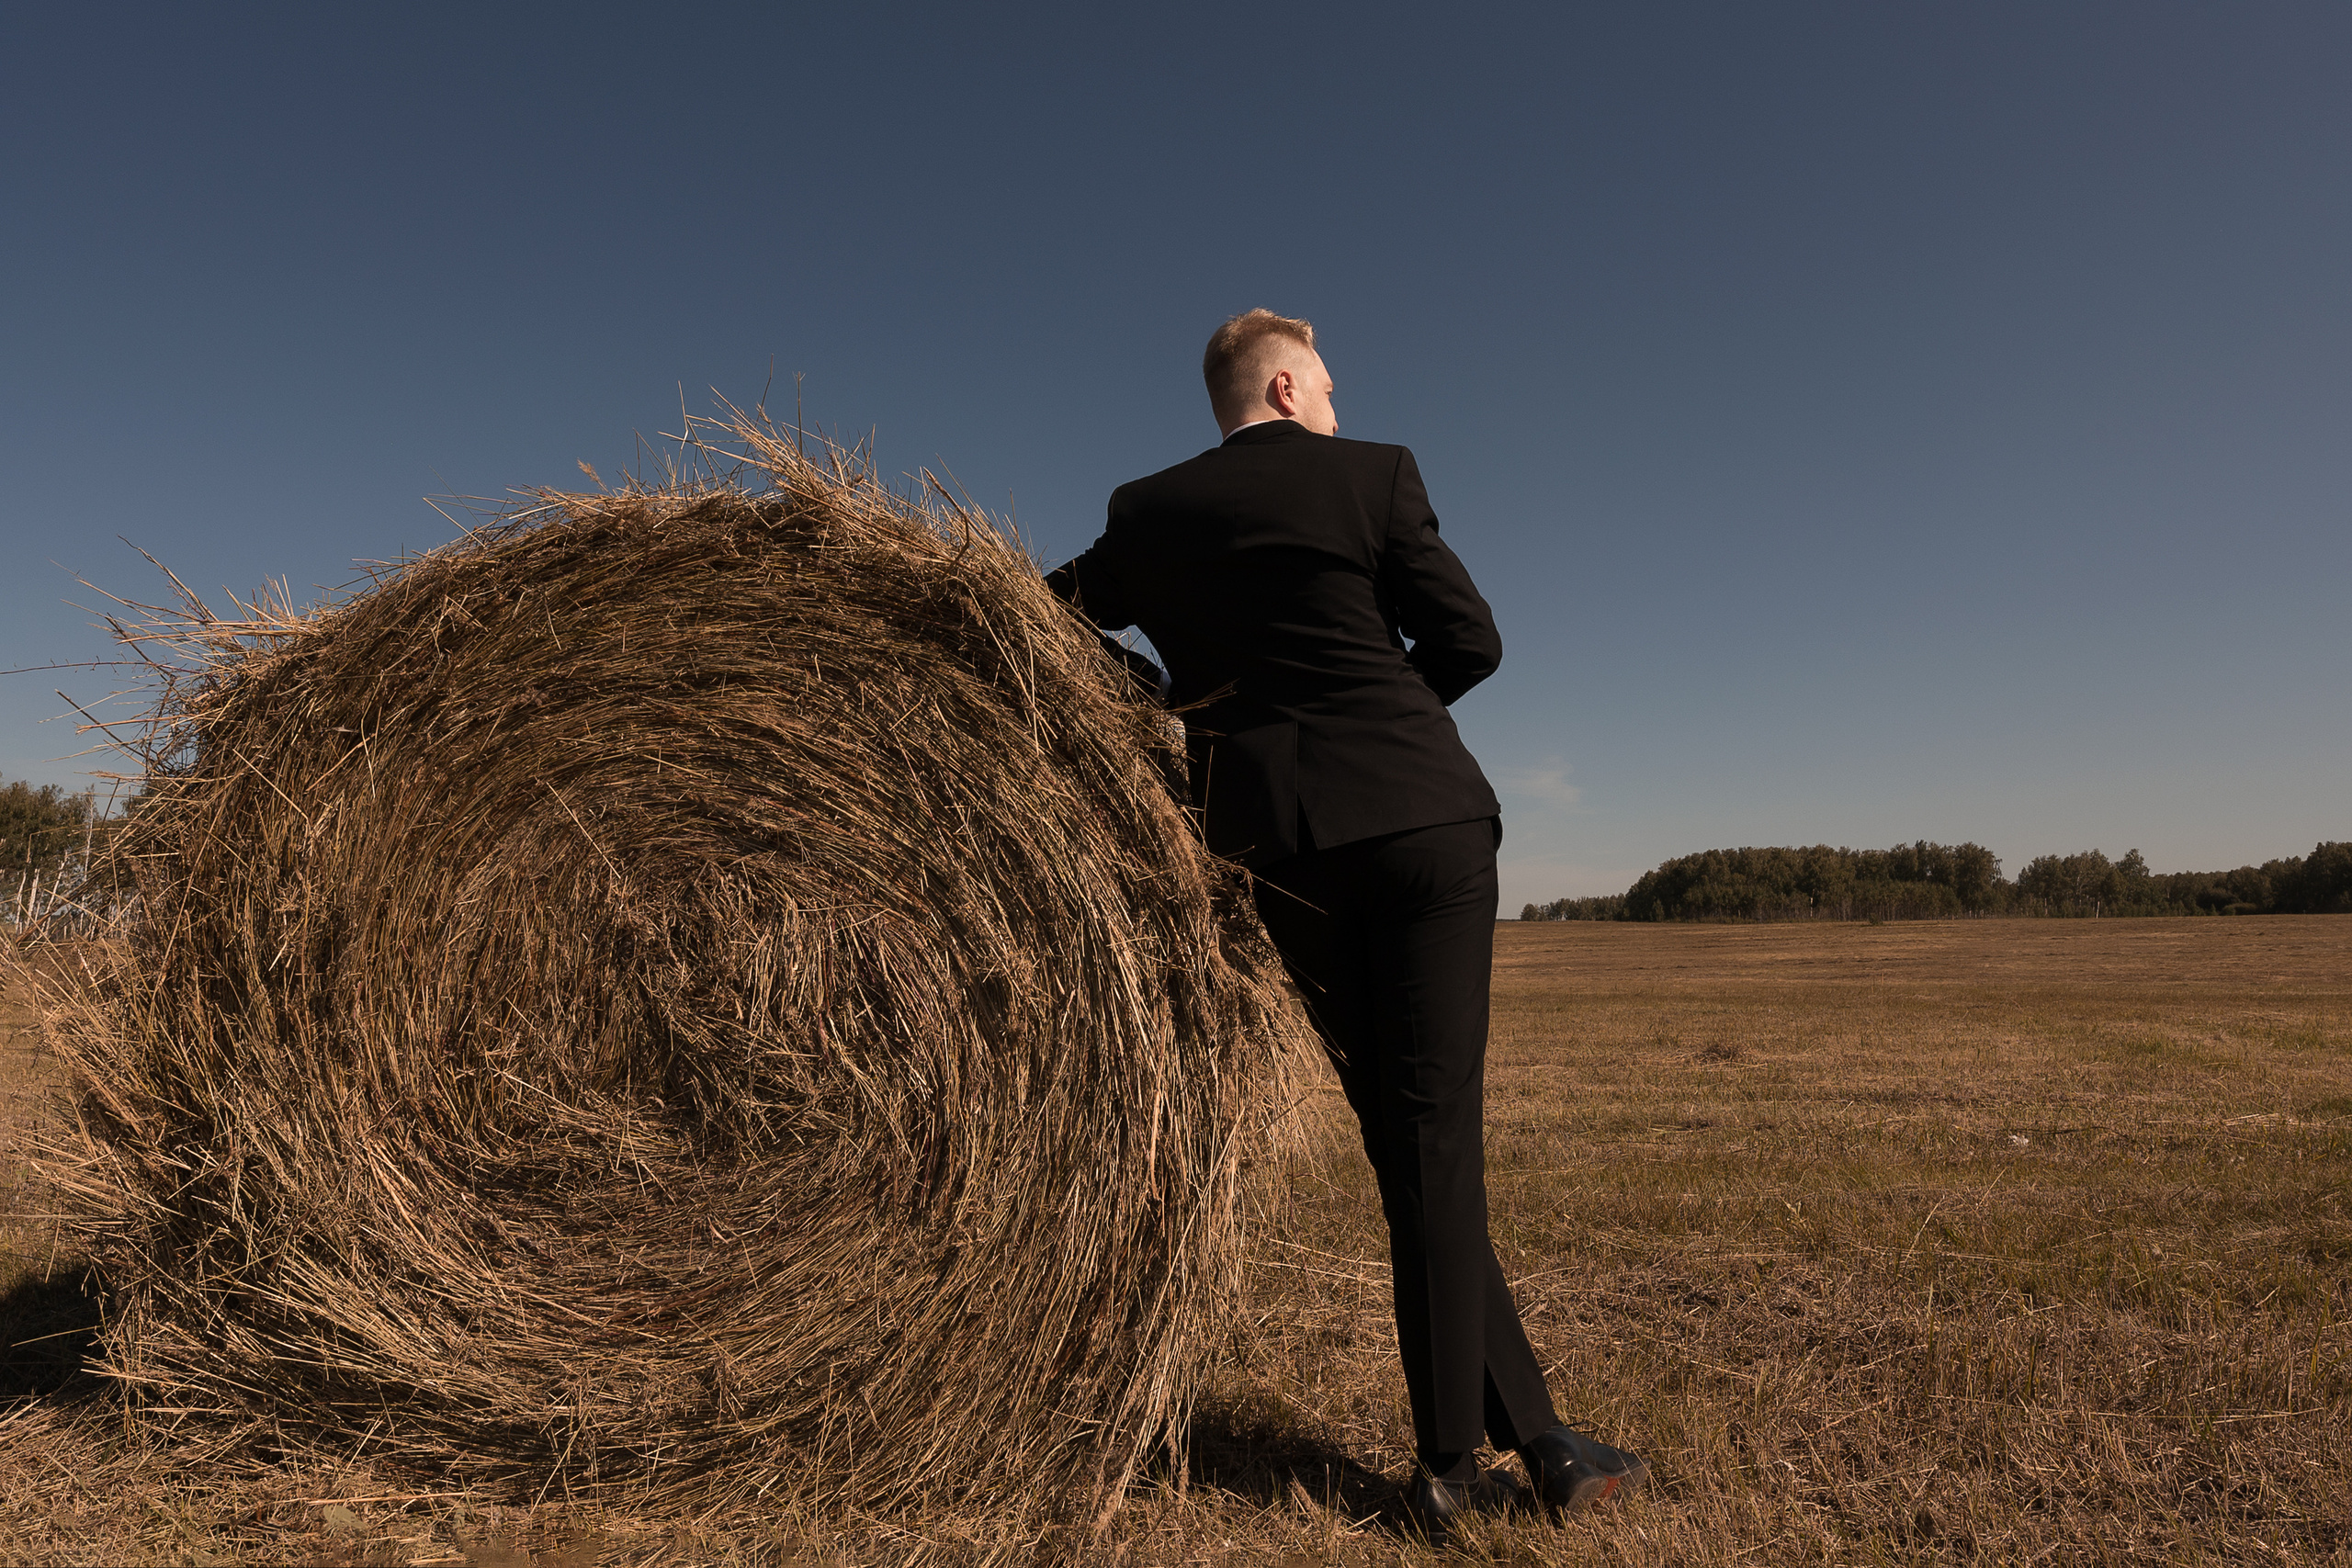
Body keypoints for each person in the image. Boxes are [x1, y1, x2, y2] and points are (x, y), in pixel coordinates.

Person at [1046, 310, 1648, 1533]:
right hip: (1422, 827)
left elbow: (1044, 616)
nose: (1333, 404)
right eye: (1323, 388)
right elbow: (1472, 638)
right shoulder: (1373, 473)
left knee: (1407, 1146)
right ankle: (1446, 1467)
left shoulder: (1145, 512)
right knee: (1431, 1146)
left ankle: (1541, 1437)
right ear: (1282, 385)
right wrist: (1392, 728)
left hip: (1281, 845)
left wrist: (1159, 700)